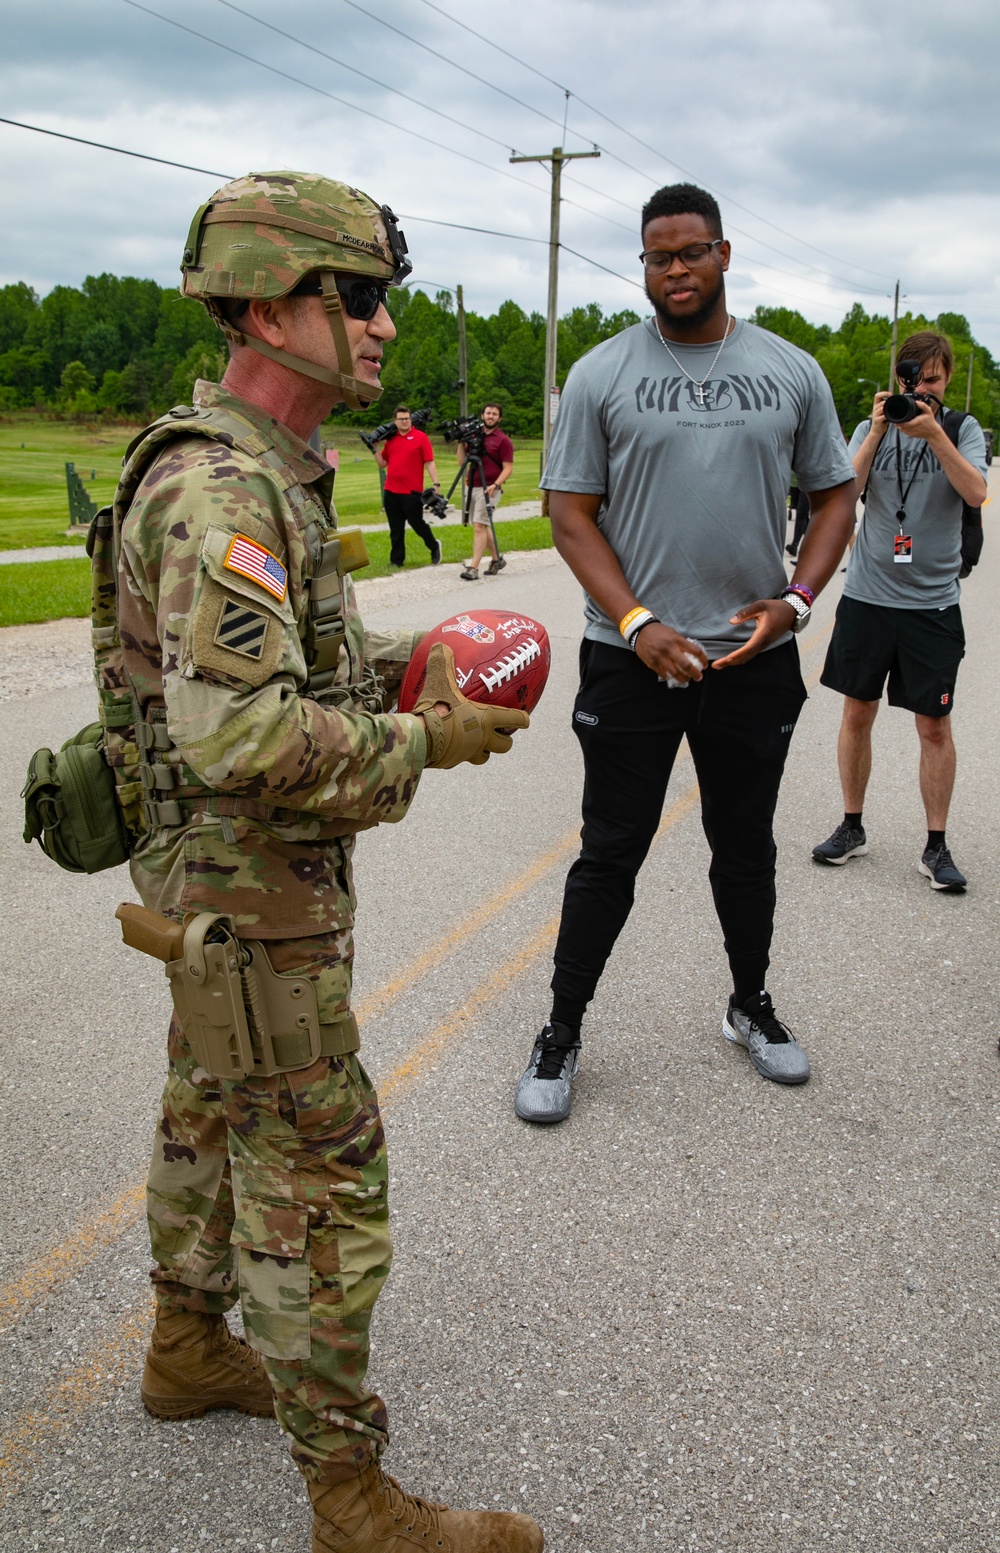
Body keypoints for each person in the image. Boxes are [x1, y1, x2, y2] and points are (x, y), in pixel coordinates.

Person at [105, 171, 537, 1553]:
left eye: (382, 297)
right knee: (322, 1168)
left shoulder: (261, 470)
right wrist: (424, 738)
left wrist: (386, 684)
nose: (383, 326)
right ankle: (352, 1503)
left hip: (226, 897)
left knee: (206, 1111)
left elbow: (265, 690)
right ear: (265, 299)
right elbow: (238, 736)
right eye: (357, 297)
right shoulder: (223, 485)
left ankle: (187, 1347)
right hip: (254, 902)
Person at [513, 181, 857, 1125]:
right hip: (631, 657)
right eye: (658, 256)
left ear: (723, 254)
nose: (675, 269)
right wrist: (636, 623)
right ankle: (561, 1030)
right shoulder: (601, 375)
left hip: (751, 656)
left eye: (691, 251)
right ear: (644, 265)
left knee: (744, 848)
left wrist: (795, 600)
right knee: (609, 852)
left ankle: (750, 1003)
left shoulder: (789, 369)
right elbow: (569, 515)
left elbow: (834, 495)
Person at [812, 331, 987, 891]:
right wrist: (879, 428)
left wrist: (934, 432)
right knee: (856, 714)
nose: (923, 390)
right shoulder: (873, 426)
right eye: (915, 381)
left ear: (947, 380)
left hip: (932, 604)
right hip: (868, 596)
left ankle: (936, 846)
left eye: (934, 381)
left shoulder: (962, 430)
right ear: (900, 380)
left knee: (933, 725)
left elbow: (977, 492)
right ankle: (851, 826)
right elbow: (845, 490)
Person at [375, 404, 443, 568]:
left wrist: (436, 484)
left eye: (407, 418)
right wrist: (374, 449)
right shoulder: (391, 440)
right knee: (396, 529)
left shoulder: (420, 437)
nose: (404, 421)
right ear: (395, 421)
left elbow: (429, 462)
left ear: (411, 420)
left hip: (412, 492)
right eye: (401, 419)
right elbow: (382, 463)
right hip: (391, 491)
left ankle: (434, 546)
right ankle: (396, 560)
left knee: (417, 524)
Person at [459, 402, 514, 580]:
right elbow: (461, 462)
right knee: (481, 524)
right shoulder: (474, 436)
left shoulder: (503, 440)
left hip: (489, 488)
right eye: (488, 413)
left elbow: (508, 468)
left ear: (500, 418)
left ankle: (473, 567)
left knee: (479, 526)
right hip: (471, 485)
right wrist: (461, 442)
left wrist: (496, 485)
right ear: (482, 415)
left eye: (494, 414)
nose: (491, 416)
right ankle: (497, 560)